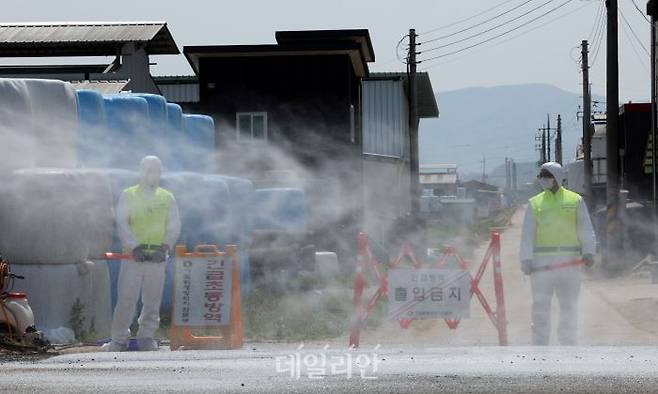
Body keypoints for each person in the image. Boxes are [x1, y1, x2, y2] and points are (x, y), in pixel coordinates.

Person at [108, 156, 181, 351]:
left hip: (157, 258)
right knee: (126, 298)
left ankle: (147, 337)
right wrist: (133, 247)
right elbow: (122, 223)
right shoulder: (129, 195)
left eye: (156, 169)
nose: (152, 173)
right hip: (133, 257)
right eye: (149, 169)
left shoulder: (167, 197)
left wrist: (165, 247)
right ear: (141, 171)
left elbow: (174, 225)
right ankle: (119, 339)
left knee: (152, 300)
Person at [520, 162, 596, 346]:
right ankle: (540, 344)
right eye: (541, 175)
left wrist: (588, 251)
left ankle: (568, 342)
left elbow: (585, 228)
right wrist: (526, 259)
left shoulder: (575, 200)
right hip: (541, 267)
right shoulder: (535, 203)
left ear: (557, 176)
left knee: (569, 306)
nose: (543, 179)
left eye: (546, 175)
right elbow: (527, 233)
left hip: (569, 265)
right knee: (540, 307)